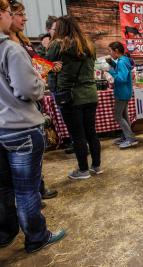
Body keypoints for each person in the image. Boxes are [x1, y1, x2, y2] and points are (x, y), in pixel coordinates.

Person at [0, 0, 65, 253]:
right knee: (26, 190)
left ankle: (5, 233)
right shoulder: (11, 50)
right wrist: (39, 81)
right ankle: (36, 236)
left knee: (3, 187)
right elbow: (27, 90)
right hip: (20, 128)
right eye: (8, 12)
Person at [8, 0, 58, 201]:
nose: (25, 18)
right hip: (16, 108)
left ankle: (38, 188)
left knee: (34, 157)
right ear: (7, 15)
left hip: (29, 106)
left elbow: (36, 66)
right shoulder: (9, 47)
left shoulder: (24, 42)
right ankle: (31, 197)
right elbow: (24, 85)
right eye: (19, 14)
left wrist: (46, 67)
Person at [45, 15, 101, 179]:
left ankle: (83, 170)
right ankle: (96, 166)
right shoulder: (89, 44)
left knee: (77, 135)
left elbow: (46, 67)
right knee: (91, 132)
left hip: (70, 96)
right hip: (90, 93)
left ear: (60, 29)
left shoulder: (57, 44)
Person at [106, 42, 138, 148]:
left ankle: (130, 138)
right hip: (125, 92)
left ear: (116, 51)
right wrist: (112, 63)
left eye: (110, 51)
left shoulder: (121, 62)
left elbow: (121, 78)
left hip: (122, 92)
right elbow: (122, 70)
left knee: (118, 116)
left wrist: (110, 71)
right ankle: (126, 136)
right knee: (124, 115)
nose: (110, 53)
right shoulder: (123, 60)